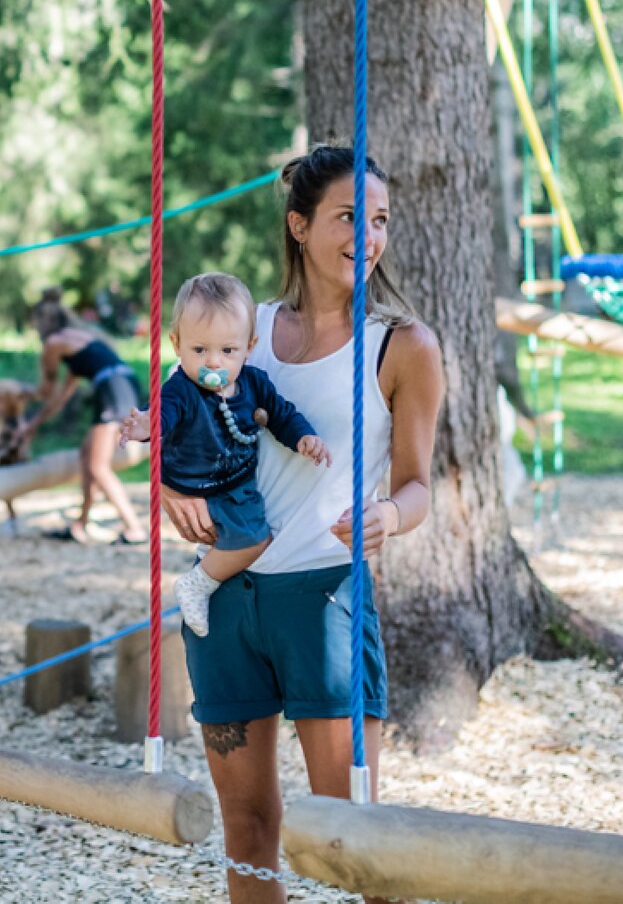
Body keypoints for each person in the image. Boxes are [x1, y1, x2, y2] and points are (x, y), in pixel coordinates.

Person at [160, 146, 442, 903]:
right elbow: (177, 431)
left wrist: (390, 514)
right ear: (299, 226)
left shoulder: (402, 345)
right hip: (223, 602)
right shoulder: (238, 330)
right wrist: (169, 493)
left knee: (355, 838)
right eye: (349, 217)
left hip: (325, 599)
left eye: (379, 220)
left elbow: (419, 487)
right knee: (247, 828)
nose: (368, 236)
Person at [119, 273, 330, 637]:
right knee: (254, 540)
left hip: (236, 482)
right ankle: (198, 583)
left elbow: (282, 414)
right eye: (200, 350)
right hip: (193, 484)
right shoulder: (182, 389)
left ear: (249, 347)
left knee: (253, 538)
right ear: (177, 344)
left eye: (227, 351)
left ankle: (210, 578)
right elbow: (165, 413)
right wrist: (146, 426)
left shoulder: (254, 382)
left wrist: (304, 437)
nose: (213, 362)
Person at [18, 287, 150, 544]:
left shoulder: (54, 344)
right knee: (86, 455)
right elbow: (59, 399)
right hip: (122, 385)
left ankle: (134, 528)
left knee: (98, 466)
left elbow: (46, 391)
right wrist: (33, 425)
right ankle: (81, 525)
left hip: (112, 391)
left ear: (41, 323)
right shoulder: (79, 341)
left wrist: (24, 393)